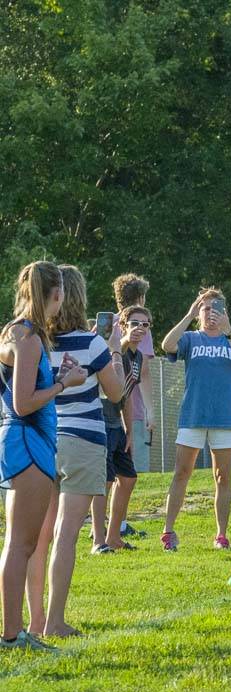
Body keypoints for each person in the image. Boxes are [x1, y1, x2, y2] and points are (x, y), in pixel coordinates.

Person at [25, 265, 126, 638]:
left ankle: (35, 621)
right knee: (67, 535)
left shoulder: (34, 341)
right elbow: (116, 394)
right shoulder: (91, 343)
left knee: (39, 536)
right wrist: (113, 351)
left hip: (43, 439)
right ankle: (55, 622)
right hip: (83, 442)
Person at [0, 262, 86, 651]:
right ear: (55, 294)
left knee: (19, 543)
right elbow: (23, 403)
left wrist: (56, 377)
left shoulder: (14, 331)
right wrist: (65, 383)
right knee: (22, 544)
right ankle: (13, 634)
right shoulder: (29, 336)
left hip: (21, 441)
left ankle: (14, 632)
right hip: (28, 441)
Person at [160, 288, 231, 551]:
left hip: (224, 418)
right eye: (206, 308)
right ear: (199, 312)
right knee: (181, 473)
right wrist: (188, 316)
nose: (211, 313)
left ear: (225, 312)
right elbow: (167, 345)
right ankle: (168, 532)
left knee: (222, 477)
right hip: (193, 416)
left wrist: (229, 329)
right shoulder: (191, 338)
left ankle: (221, 535)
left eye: (217, 308)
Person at [91, 305, 151, 555]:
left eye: (145, 324)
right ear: (122, 325)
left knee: (128, 478)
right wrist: (117, 343)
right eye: (135, 323)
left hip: (118, 426)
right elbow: (107, 389)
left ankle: (114, 537)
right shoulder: (113, 350)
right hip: (100, 422)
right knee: (103, 481)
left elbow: (126, 395)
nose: (140, 329)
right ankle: (98, 540)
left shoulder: (138, 358)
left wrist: (129, 431)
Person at [110, 273, 156, 532]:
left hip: (107, 407)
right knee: (125, 470)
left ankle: (109, 525)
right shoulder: (139, 323)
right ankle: (119, 525)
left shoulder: (109, 324)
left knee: (111, 471)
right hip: (129, 407)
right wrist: (150, 409)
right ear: (139, 298)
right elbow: (145, 371)